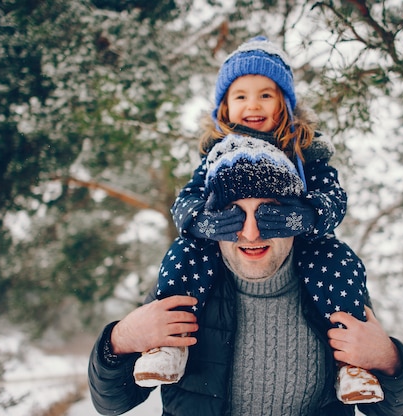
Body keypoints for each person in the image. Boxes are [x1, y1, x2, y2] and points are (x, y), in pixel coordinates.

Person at [87, 135, 403, 416]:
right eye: (233, 215)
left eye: (270, 212)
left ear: (295, 218)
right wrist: (121, 339)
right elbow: (110, 402)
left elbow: (390, 408)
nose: (250, 232)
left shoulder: (329, 285)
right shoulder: (189, 282)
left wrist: (390, 360)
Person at [133, 36, 380, 403]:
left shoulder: (306, 150)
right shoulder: (216, 153)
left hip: (302, 244)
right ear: (224, 106)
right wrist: (202, 223)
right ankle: (171, 343)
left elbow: (334, 198)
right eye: (241, 95)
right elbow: (186, 201)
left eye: (266, 94)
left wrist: (308, 216)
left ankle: (354, 363)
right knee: (184, 254)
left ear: (284, 102)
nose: (253, 104)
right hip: (228, 242)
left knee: (340, 264)